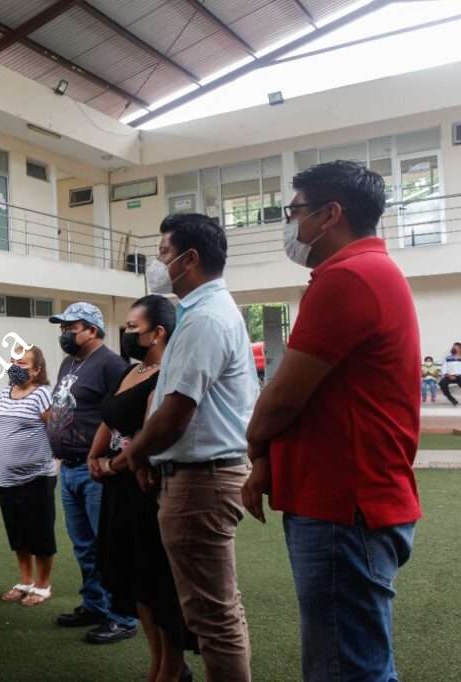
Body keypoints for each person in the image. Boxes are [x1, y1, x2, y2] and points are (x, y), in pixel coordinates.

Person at [242, 161, 422, 682]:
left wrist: (254, 443)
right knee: (358, 663)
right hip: (350, 503)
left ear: (330, 214)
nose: (289, 224)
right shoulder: (367, 272)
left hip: (344, 508)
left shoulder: (349, 277)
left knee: (345, 670)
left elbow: (281, 398)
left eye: (293, 211)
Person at [122, 213, 257, 682]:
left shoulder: (205, 319)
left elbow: (177, 411)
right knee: (213, 612)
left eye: (163, 253)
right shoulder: (199, 314)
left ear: (190, 259)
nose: (157, 263)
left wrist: (135, 453)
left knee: (212, 618)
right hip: (197, 476)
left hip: (202, 482)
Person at [91, 295, 195, 682]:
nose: (127, 334)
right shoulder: (131, 371)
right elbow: (109, 419)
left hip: (145, 487)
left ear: (159, 332)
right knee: (134, 581)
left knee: (157, 582)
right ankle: (157, 662)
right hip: (118, 489)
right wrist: (94, 455)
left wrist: (113, 464)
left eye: (134, 328)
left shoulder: (167, 376)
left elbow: (152, 433)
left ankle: (172, 667)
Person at [45, 302, 139, 644]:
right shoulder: (69, 362)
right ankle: (95, 605)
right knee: (84, 546)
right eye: (63, 328)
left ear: (92, 330)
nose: (65, 334)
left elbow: (126, 413)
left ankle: (123, 617)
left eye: (71, 328)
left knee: (109, 546)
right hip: (69, 469)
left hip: (97, 472)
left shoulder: (111, 364)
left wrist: (109, 459)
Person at [0, 345, 56, 607]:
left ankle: (42, 585)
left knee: (40, 533)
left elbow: (56, 430)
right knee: (17, 534)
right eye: (13, 362)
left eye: (22, 364)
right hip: (4, 479)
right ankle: (25, 581)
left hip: (36, 478)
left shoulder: (42, 394)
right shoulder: (5, 392)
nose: (15, 367)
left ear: (37, 370)